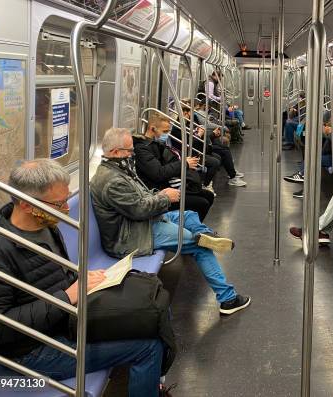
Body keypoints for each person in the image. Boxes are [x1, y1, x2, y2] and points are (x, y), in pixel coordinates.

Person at [0, 159, 168, 396]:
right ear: (25, 204)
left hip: (65, 320)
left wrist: (80, 279)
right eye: (59, 203)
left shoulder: (46, 226)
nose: (66, 209)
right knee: (148, 346)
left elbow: (54, 277)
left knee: (153, 311)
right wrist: (66, 297)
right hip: (35, 348)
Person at [91, 128, 251, 315]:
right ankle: (228, 299)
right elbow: (139, 210)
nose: (132, 154)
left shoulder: (117, 169)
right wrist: (166, 198)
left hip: (138, 224)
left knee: (188, 215)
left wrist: (158, 195)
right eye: (129, 151)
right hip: (131, 236)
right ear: (115, 152)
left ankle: (206, 235)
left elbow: (137, 200)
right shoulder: (112, 181)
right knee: (200, 246)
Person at [133, 113, 215, 221]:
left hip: (167, 183)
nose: (167, 135)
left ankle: (193, 226)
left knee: (208, 195)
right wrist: (184, 164)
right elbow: (158, 173)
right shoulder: (142, 149)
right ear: (152, 129)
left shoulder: (157, 144)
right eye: (165, 132)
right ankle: (191, 230)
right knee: (201, 203)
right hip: (157, 190)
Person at [192, 100, 247, 187]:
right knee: (223, 151)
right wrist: (217, 130)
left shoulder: (196, 117)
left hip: (206, 141)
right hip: (203, 145)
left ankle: (232, 172)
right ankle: (232, 176)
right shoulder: (198, 114)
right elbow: (205, 126)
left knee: (224, 148)